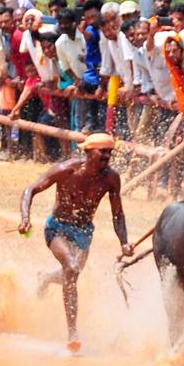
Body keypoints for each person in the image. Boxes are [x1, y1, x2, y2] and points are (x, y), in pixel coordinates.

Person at [17, 132, 126, 351]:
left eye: (109, 152)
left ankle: (46, 277)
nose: (106, 156)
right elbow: (30, 190)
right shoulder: (66, 170)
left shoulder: (111, 178)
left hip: (84, 232)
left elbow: (117, 214)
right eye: (102, 151)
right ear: (87, 151)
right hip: (57, 228)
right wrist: (25, 218)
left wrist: (124, 242)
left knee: (71, 273)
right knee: (71, 267)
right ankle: (73, 333)